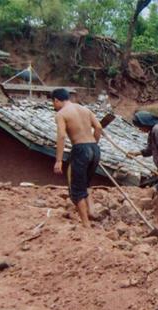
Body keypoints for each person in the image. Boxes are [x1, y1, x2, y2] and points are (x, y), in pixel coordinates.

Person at [52, 88, 102, 228]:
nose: (54, 106)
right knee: (85, 182)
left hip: (80, 149)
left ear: (56, 100)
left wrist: (58, 160)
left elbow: (61, 136)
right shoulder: (84, 109)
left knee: (76, 188)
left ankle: (86, 224)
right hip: (94, 148)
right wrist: (94, 144)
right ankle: (92, 211)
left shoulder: (61, 114)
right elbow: (98, 127)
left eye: (53, 103)